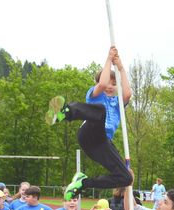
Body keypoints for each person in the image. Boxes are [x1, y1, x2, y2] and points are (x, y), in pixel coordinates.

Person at [48, 46, 132, 200]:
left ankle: (83, 183)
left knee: (126, 178)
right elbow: (102, 83)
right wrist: (108, 59)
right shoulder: (95, 94)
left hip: (102, 143)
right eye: (108, 82)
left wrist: (120, 67)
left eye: (113, 84)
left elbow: (128, 93)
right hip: (88, 133)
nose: (109, 86)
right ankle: (65, 112)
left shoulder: (117, 103)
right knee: (100, 111)